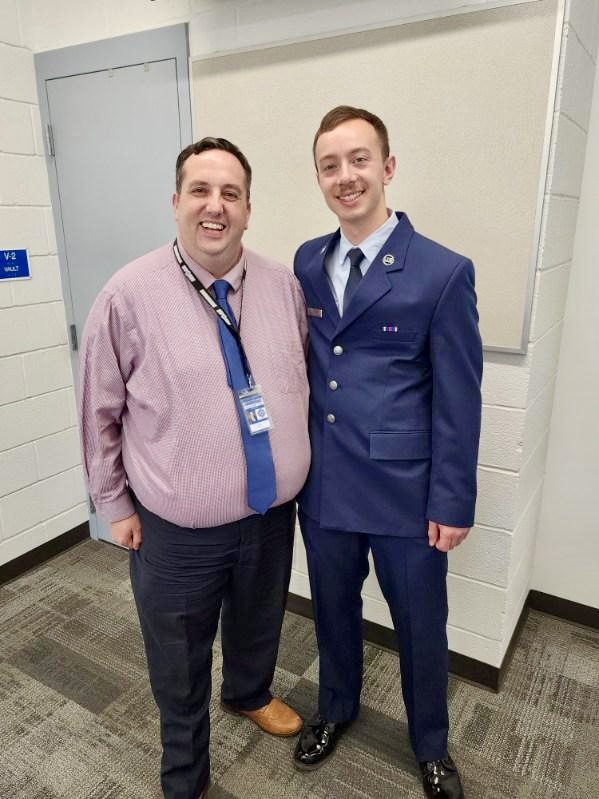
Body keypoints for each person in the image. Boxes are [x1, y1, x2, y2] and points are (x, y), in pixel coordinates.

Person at [79, 137, 310, 799]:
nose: (216, 206)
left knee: (259, 619)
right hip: (178, 531)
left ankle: (248, 692)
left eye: (230, 193)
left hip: (270, 513)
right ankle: (185, 772)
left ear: (247, 208)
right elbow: (98, 408)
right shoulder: (127, 294)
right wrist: (114, 502)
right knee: (178, 656)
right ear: (176, 202)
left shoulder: (282, 286)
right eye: (200, 191)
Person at [292, 106, 482, 799]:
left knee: (419, 625)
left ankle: (429, 742)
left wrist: (452, 500)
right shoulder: (308, 260)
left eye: (358, 159)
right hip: (326, 486)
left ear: (387, 167)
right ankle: (335, 706)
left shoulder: (440, 271)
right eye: (329, 164)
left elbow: (459, 399)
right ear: (319, 176)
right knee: (332, 611)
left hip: (406, 493)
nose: (345, 176)